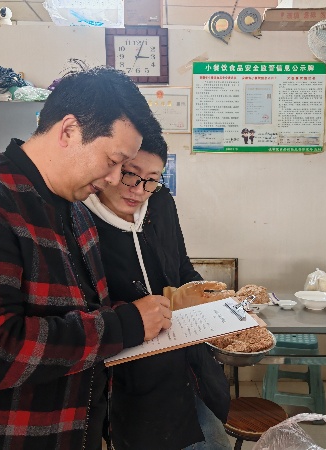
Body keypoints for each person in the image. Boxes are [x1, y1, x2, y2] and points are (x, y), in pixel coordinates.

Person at [0, 67, 173, 450]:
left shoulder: (78, 213)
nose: (116, 179)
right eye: (113, 160)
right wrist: (126, 324)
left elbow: (78, 316)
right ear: (69, 130)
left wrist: (137, 316)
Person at [84, 135, 232, 450]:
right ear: (111, 167)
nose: (139, 190)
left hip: (187, 365)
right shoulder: (80, 217)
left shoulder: (161, 202)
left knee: (211, 440)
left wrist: (211, 300)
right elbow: (82, 308)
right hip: (128, 377)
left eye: (152, 179)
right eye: (130, 174)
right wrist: (133, 316)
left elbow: (181, 268)